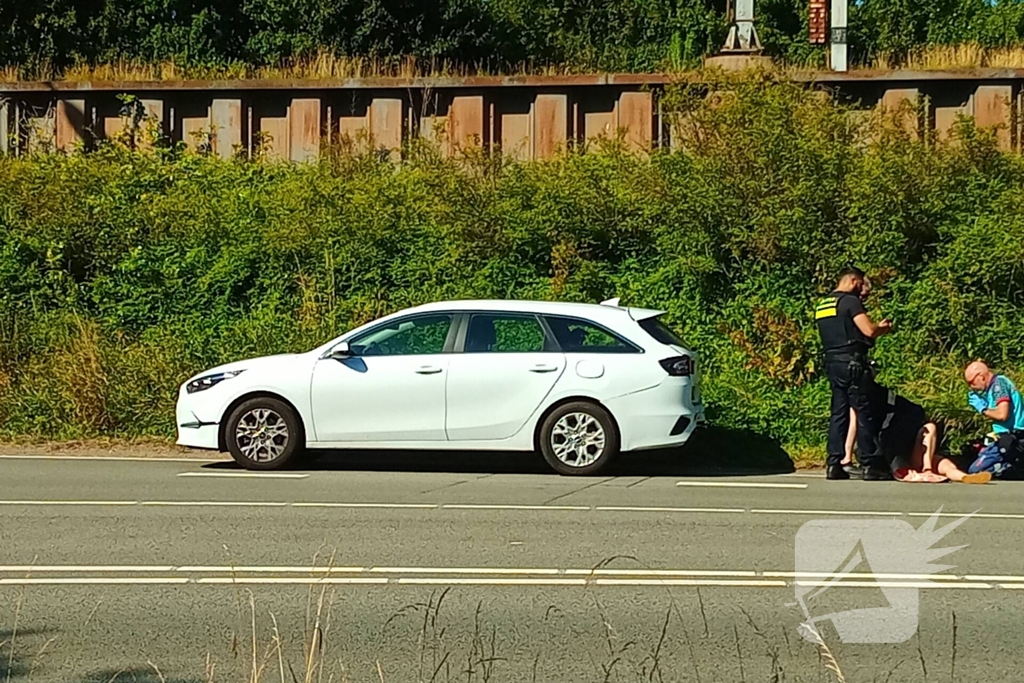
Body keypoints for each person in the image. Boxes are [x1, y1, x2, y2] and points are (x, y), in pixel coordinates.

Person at [815, 267, 893, 480]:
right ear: (852, 280)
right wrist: (883, 328)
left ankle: (834, 463)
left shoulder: (823, 305)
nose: (861, 292)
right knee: (864, 412)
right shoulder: (850, 302)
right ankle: (869, 464)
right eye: (860, 285)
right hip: (853, 364)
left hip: (832, 363)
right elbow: (868, 330)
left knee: (838, 413)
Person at [868, 382, 991, 484]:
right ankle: (928, 470)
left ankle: (965, 477)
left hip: (918, 457)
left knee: (947, 465)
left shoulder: (909, 424)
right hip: (913, 459)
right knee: (930, 428)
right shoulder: (913, 427)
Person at [962, 361, 1024, 477]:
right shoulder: (996, 386)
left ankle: (1012, 468)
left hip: (1012, 438)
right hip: (1007, 438)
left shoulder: (998, 386)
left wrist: (983, 409)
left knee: (975, 470)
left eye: (971, 382)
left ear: (981, 377)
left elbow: (1002, 415)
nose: (971, 387)